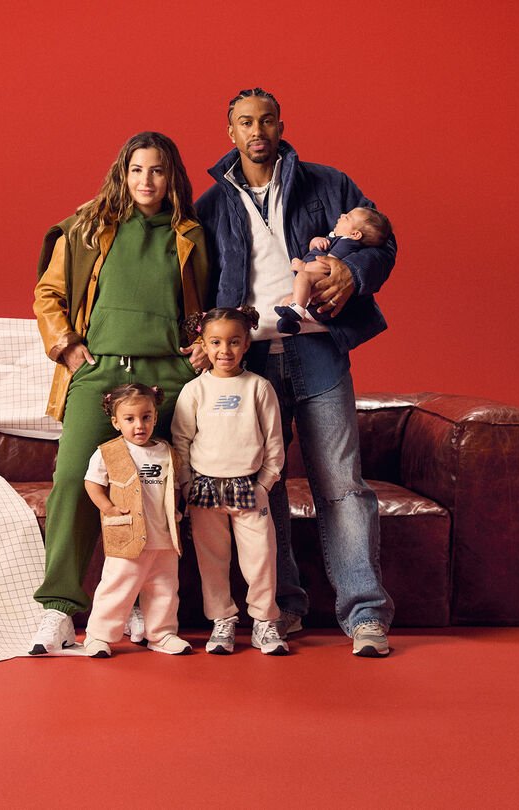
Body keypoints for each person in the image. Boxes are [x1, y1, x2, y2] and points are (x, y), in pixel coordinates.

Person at [194, 87, 396, 657]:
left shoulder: (329, 184)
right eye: (244, 123)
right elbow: (198, 284)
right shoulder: (211, 205)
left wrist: (352, 274)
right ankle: (283, 609)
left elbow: (382, 241)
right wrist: (203, 341)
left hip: (318, 350)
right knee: (264, 487)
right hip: (249, 361)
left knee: (342, 485)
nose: (256, 131)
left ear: (281, 125)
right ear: (229, 131)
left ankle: (365, 617)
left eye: (265, 120)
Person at [29, 131, 210, 654]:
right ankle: (59, 610)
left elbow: (207, 305)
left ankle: (137, 602)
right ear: (122, 173)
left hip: (166, 376)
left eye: (156, 171)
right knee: (72, 483)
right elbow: (49, 291)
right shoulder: (89, 227)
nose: (146, 181)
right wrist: (65, 346)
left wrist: (198, 347)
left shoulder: (192, 235)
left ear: (171, 176)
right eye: (136, 170)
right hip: (101, 370)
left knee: (160, 491)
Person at [171, 307, 289, 655]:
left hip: (250, 488)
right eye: (216, 342)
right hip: (205, 488)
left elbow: (274, 442)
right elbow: (181, 441)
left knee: (261, 557)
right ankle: (222, 620)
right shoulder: (194, 390)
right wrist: (187, 484)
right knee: (212, 559)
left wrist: (265, 483)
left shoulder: (258, 388)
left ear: (246, 343)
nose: (225, 350)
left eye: (234, 342)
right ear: (203, 345)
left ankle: (265, 622)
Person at [80, 383, 193, 657]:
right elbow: (92, 484)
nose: (139, 425)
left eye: (146, 417)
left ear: (155, 416)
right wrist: (107, 508)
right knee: (117, 585)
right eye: (129, 419)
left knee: (164, 588)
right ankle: (97, 636)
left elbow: (174, 487)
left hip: (163, 536)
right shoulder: (109, 452)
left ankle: (162, 634)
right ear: (116, 422)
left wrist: (177, 511)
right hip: (127, 534)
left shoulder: (166, 452)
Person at [276, 207, 391, 334]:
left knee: (303, 277)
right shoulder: (338, 239)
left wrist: (303, 266)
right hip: (319, 301)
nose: (342, 215)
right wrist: (316, 242)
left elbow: (327, 265)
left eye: (347, 218)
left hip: (324, 287)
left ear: (355, 234)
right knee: (287, 300)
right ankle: (292, 322)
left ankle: (297, 310)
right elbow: (317, 252)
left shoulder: (347, 243)